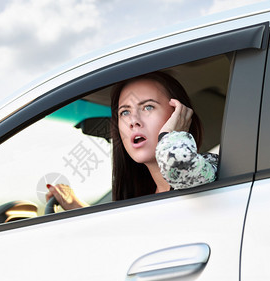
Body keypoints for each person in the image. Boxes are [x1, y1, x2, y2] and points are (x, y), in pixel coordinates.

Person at [46, 71, 218, 209]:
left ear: (179, 115)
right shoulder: (144, 197)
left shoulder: (210, 171)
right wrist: (76, 207)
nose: (133, 120)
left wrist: (171, 135)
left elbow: (181, 167)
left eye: (148, 107)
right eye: (125, 112)